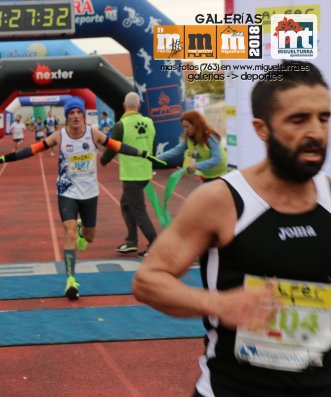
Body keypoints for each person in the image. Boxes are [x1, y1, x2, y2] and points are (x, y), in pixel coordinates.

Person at [133, 60, 330, 397]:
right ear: (261, 128)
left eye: (324, 118)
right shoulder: (221, 200)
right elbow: (148, 281)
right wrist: (221, 304)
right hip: (233, 389)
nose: (315, 131)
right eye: (298, 119)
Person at [0, 97, 163, 300]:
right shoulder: (58, 136)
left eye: (79, 112)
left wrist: (144, 154)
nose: (76, 116)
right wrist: (4, 159)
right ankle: (70, 280)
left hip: (90, 193)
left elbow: (117, 146)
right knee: (68, 232)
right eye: (71, 113)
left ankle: (81, 229)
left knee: (89, 237)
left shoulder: (93, 133)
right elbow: (32, 150)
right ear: (67, 117)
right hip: (67, 191)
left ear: (83, 116)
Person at [101, 92, 159, 257]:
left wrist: (103, 160)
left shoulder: (121, 125)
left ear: (124, 106)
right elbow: (153, 148)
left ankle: (154, 244)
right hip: (145, 172)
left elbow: (113, 147)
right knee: (126, 205)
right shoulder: (150, 122)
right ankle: (131, 241)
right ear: (139, 106)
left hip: (131, 175)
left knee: (138, 210)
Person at [158, 110, 228, 182]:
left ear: (196, 124)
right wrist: (156, 158)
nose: (185, 130)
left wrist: (197, 166)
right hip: (206, 175)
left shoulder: (209, 136)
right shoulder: (189, 138)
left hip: (222, 175)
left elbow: (217, 159)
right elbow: (175, 151)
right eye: (183, 127)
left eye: (187, 127)